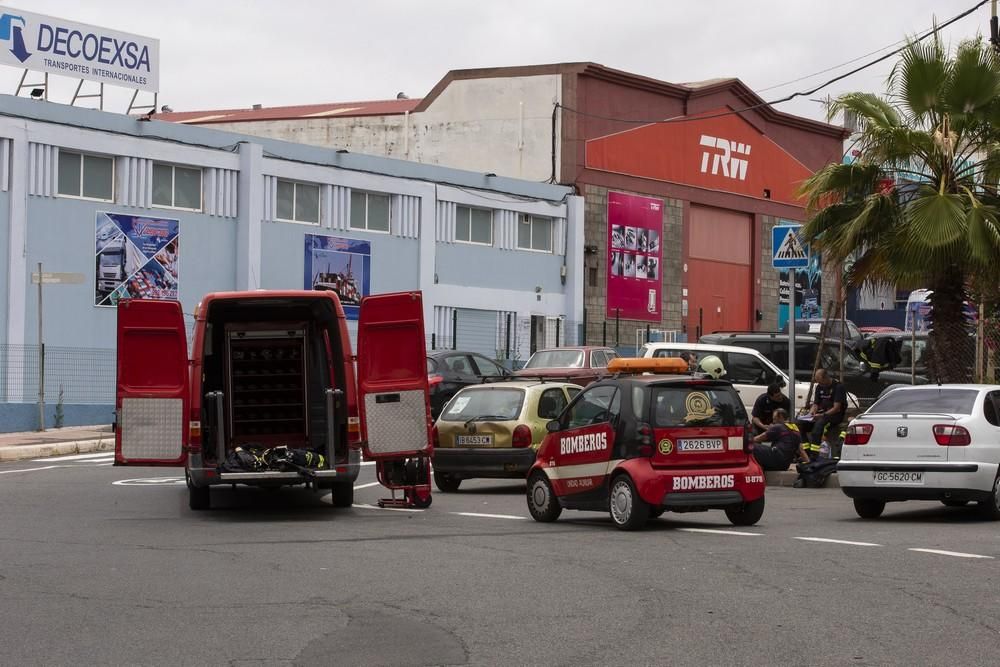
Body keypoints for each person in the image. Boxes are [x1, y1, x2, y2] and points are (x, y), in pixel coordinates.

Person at [806, 368, 847, 460]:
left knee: (818, 426)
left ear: (826, 378)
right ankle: (806, 453)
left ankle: (814, 455)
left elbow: (836, 408)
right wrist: (812, 411)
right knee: (800, 424)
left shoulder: (838, 387)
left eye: (820, 382)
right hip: (821, 414)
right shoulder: (819, 387)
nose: (820, 384)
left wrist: (822, 415)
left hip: (834, 416)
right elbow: (816, 403)